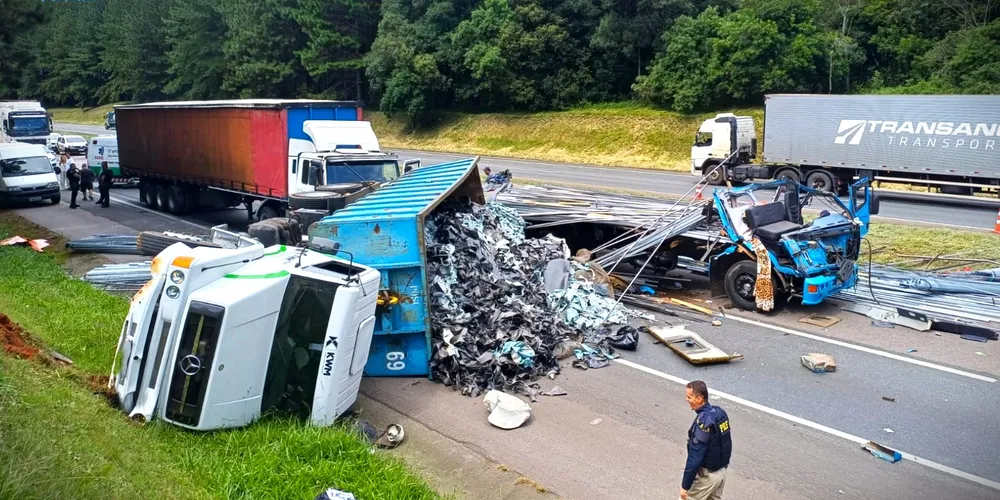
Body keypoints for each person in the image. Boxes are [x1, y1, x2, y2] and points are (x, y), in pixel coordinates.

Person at [680, 380, 731, 500]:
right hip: (721, 473)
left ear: (699, 399)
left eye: (689, 397)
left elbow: (695, 457)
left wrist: (685, 485)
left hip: (707, 478)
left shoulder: (704, 423)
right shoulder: (720, 413)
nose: (687, 399)